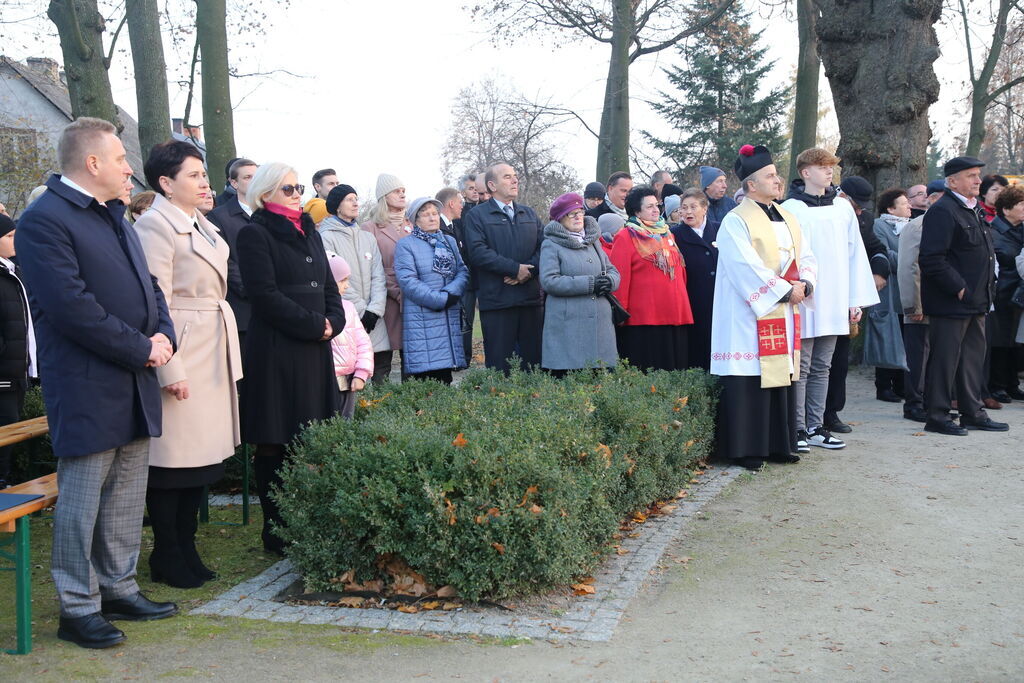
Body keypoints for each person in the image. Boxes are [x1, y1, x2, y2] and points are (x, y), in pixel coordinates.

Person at [15, 117, 179, 648]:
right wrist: (142, 347)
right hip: (88, 384)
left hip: (135, 378)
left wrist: (163, 332)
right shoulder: (44, 220)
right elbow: (71, 309)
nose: (129, 169)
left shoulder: (113, 214)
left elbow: (147, 284)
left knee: (127, 496)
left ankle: (117, 587)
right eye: (121, 160)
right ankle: (77, 607)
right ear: (92, 164)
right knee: (83, 501)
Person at [132, 140, 242, 588]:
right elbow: (150, 304)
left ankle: (187, 547)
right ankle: (167, 552)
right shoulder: (154, 226)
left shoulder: (201, 222)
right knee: (172, 462)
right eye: (194, 175)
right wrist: (169, 369)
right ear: (165, 183)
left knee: (201, 460)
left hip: (211, 346)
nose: (204, 182)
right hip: (181, 348)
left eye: (203, 174)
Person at [236, 162, 344, 554]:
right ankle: (276, 528)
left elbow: (331, 287)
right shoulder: (254, 234)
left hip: (315, 347)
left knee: (313, 438)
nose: (298, 194)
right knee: (275, 440)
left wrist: (334, 320)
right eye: (288, 189)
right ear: (265, 195)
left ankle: (311, 519)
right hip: (278, 351)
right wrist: (314, 324)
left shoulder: (309, 230)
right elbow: (264, 295)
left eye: (299, 188)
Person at [711, 144, 817, 470]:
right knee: (751, 377)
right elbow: (744, 265)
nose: (778, 180)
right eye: (770, 176)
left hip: (783, 308)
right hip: (748, 313)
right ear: (751, 185)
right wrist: (785, 291)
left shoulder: (787, 216)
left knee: (778, 376)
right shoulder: (735, 220)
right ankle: (747, 449)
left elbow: (807, 255)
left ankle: (777, 443)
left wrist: (806, 284)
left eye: (776, 175)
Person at [782, 149, 878, 452]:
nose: (829, 173)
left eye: (831, 168)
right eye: (822, 168)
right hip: (807, 296)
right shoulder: (791, 208)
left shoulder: (842, 208)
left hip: (836, 297)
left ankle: (816, 425)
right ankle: (796, 427)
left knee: (824, 365)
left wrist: (855, 300)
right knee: (803, 365)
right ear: (805, 172)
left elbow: (855, 255)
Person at [919, 156, 1006, 435]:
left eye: (978, 175)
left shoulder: (973, 209)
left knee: (971, 360)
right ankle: (937, 416)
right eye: (971, 175)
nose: (978, 180)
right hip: (951, 302)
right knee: (945, 360)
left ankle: (972, 412)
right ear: (953, 181)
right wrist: (959, 288)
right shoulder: (943, 211)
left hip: (977, 300)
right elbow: (932, 259)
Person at [464, 163, 544, 373]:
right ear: (492, 185)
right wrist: (513, 269)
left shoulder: (529, 213)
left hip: (530, 301)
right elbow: (478, 252)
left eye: (515, 176)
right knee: (502, 370)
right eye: (507, 177)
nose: (515, 180)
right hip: (498, 302)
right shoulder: (477, 216)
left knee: (533, 366)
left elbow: (544, 247)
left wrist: (528, 272)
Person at [609, 185, 693, 371]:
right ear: (637, 211)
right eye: (649, 207)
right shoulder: (625, 236)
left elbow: (680, 271)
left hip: (675, 312)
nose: (656, 210)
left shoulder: (667, 233)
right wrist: (620, 313)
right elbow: (620, 277)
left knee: (677, 371)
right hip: (644, 318)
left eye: (657, 205)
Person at [539, 193, 620, 374]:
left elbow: (613, 270)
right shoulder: (551, 245)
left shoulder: (593, 242)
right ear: (560, 218)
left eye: (580, 212)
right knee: (573, 388)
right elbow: (549, 281)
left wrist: (609, 281)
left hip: (600, 328)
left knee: (602, 388)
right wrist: (590, 284)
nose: (578, 217)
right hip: (569, 328)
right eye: (571, 213)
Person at [394, 197, 470, 383]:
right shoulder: (406, 245)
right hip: (423, 317)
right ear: (415, 220)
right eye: (426, 214)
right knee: (425, 380)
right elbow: (408, 281)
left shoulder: (449, 241)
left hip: (448, 314)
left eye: (435, 213)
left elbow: (462, 270)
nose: (432, 218)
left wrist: (451, 292)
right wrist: (438, 299)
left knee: (445, 378)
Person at [319, 184, 389, 356]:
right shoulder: (325, 237)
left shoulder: (368, 237)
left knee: (381, 367)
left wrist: (375, 310)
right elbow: (335, 278)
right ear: (337, 206)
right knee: (353, 369)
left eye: (356, 199)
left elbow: (378, 276)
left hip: (374, 318)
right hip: (347, 315)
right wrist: (361, 310)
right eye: (349, 200)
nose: (355, 203)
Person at [361, 173, 410, 383]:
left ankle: (415, 403)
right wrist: (395, 290)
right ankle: (382, 407)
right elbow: (371, 266)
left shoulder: (414, 224)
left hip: (411, 297)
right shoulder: (369, 228)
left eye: (403, 191)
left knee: (412, 355)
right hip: (384, 300)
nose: (402, 195)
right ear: (384, 196)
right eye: (396, 191)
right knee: (382, 357)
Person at [206, 158, 258, 352]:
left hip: (276, 308)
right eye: (248, 177)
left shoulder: (273, 215)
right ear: (234, 183)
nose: (254, 181)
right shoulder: (219, 217)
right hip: (243, 311)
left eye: (258, 177)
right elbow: (225, 261)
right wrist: (254, 288)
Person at [0, 214, 35, 490]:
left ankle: (5, 479)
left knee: (12, 427)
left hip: (18, 369)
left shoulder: (13, 271)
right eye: (9, 236)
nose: (15, 240)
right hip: (5, 371)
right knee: (5, 427)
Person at [870, 188, 912, 403]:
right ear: (890, 208)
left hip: (908, 290)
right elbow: (884, 254)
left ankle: (902, 385)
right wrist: (911, 259)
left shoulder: (913, 227)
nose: (909, 206)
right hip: (888, 288)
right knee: (887, 336)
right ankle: (884, 386)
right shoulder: (879, 226)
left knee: (906, 337)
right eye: (904, 204)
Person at [671, 188, 719, 371]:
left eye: (693, 207)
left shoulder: (720, 228)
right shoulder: (675, 235)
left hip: (720, 299)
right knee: (698, 350)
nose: (688, 212)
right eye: (684, 208)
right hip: (693, 301)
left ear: (704, 208)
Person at [989, 183, 1024, 401]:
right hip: (1002, 293)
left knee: (1015, 341)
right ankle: (997, 385)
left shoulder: (1021, 230)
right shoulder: (994, 232)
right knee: (1000, 340)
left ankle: (1012, 383)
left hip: (1018, 294)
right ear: (1006, 209)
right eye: (1021, 204)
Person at [327, 253, 373, 418]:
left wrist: (361, 373)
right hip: (326, 381)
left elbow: (363, 343)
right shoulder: (317, 310)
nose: (346, 286)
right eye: (342, 280)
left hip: (349, 380)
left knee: (346, 423)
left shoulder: (348, 307)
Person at [437, 186, 475, 363]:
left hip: (461, 286)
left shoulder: (456, 227)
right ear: (451, 203)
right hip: (445, 289)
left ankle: (461, 359)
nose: (462, 206)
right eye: (460, 202)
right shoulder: (437, 227)